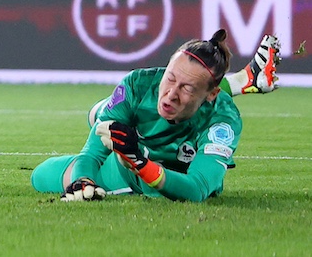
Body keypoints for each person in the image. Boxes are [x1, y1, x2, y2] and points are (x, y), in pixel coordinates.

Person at [34, 32, 281, 203]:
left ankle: (240, 81)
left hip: (153, 177)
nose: (171, 94)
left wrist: (140, 163)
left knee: (101, 119)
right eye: (170, 77)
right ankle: (241, 80)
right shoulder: (139, 84)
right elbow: (91, 154)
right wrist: (82, 181)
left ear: (212, 94)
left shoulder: (223, 120)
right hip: (124, 166)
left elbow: (197, 189)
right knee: (94, 119)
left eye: (187, 88)